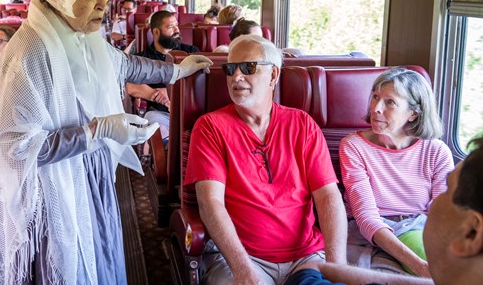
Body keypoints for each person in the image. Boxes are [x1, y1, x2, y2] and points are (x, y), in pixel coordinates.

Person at [0, 0, 212, 285]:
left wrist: (175, 71)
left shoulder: (80, 35)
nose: (103, 3)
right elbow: (17, 150)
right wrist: (97, 132)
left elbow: (122, 64)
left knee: (102, 257)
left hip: (93, 175)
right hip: (57, 188)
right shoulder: (28, 52)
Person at [184, 35, 347, 285]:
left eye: (248, 68)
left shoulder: (302, 125)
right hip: (241, 257)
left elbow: (327, 196)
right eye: (230, 69)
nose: (236, 77)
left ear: (273, 75)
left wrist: (336, 267)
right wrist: (244, 271)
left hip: (306, 257)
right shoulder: (210, 127)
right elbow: (210, 204)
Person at [283, 137, 482, 285]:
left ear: (472, 233)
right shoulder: (353, 145)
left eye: (447, 190)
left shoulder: (436, 150)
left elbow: (311, 271)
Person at [339, 68, 453, 277]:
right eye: (375, 97)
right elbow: (366, 217)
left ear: (413, 113)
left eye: (389, 102)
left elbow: (443, 214)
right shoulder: (353, 146)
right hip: (372, 234)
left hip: (422, 229)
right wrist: (421, 267)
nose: (376, 108)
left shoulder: (437, 151)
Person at [126, 10, 200, 149]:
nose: (177, 30)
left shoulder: (192, 53)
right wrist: (156, 95)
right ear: (156, 32)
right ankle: (167, 156)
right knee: (153, 122)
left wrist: (169, 92)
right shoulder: (142, 59)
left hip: (191, 112)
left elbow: (200, 85)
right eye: (170, 27)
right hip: (160, 114)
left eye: (176, 25)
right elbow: (130, 85)